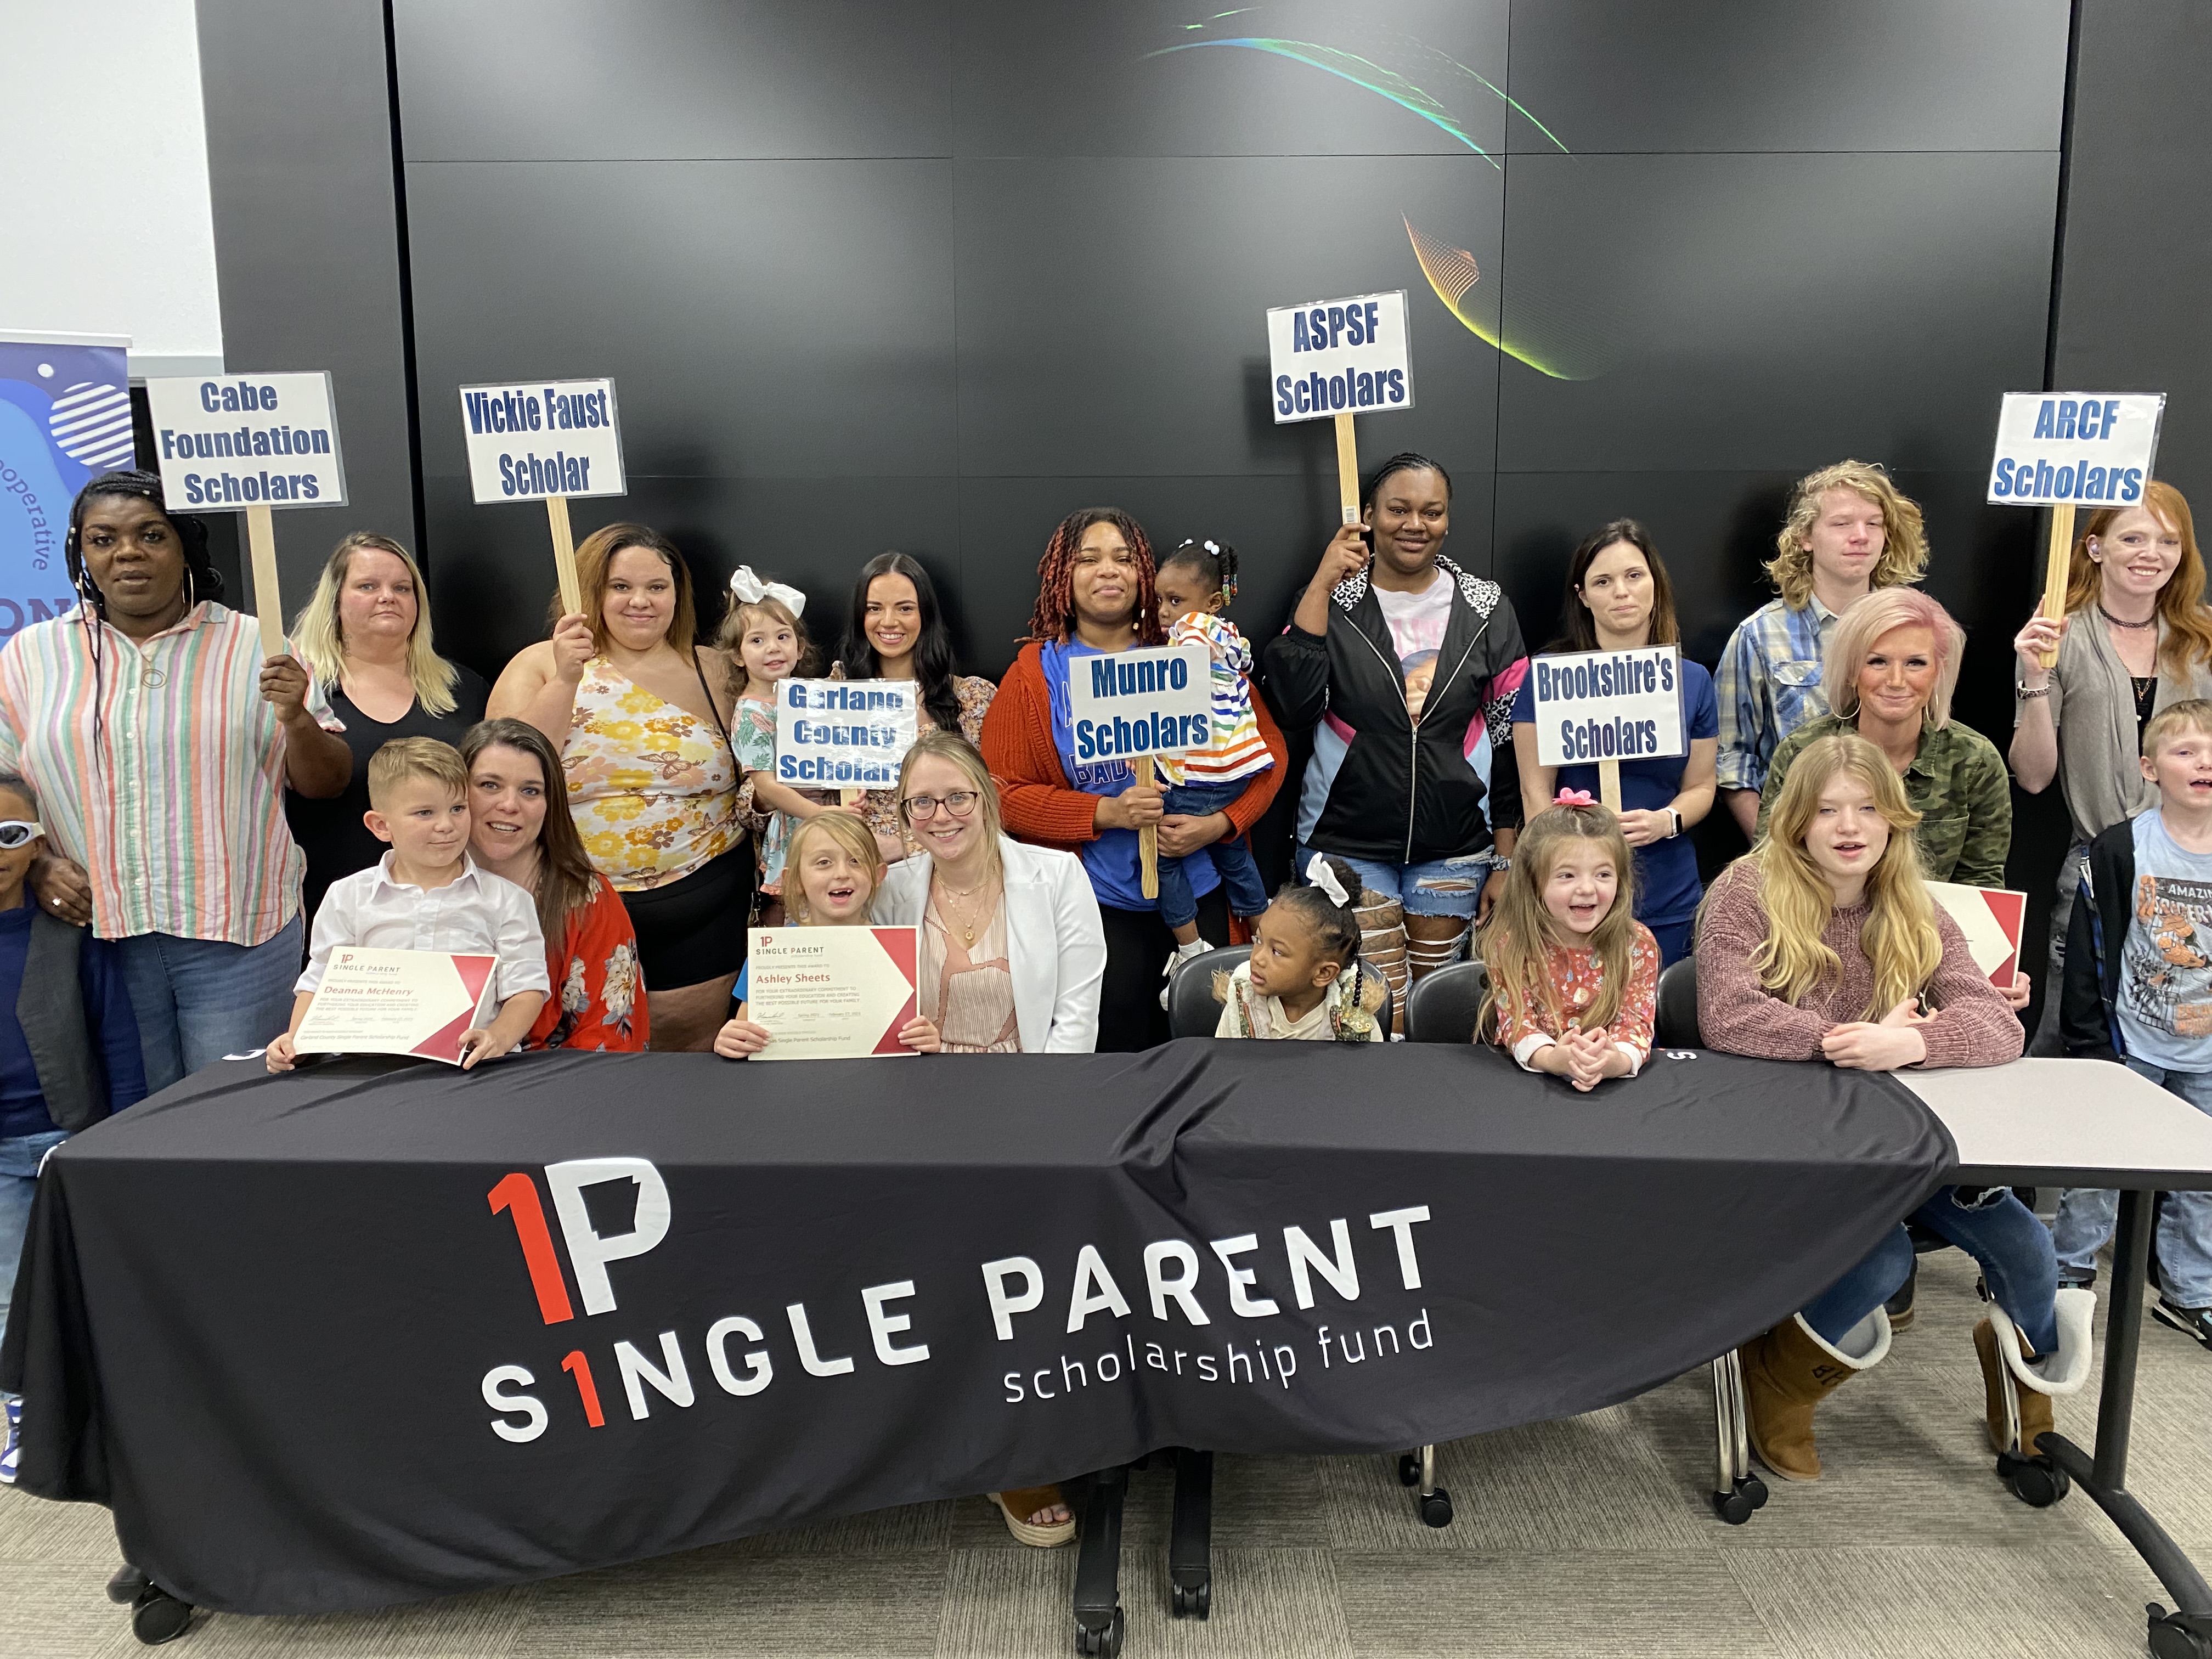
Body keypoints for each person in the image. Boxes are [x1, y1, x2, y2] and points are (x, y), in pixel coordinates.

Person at [1698, 733, 2087, 1481]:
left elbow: (1997, 1024)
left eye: (1868, 809)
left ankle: (2026, 1408)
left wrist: (1910, 1044)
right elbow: (1727, 1016)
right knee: (1883, 1261)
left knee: (2029, 1252)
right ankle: (1778, 1382)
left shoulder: (1914, 903)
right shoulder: (1746, 892)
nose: (1850, 827)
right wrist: (1851, 1041)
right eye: (1829, 810)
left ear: (1894, 820)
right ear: (1797, 820)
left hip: (1902, 1140)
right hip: (1796, 1141)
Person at [0, 471, 351, 1093]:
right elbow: (6, 781)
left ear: (185, 546)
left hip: (237, 934)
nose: (127, 553)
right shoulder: (31, 656)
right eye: (103, 539)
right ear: (81, 556)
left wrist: (297, 716)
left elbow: (327, 782)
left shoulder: (258, 644)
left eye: (151, 535)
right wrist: (40, 860)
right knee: (134, 1121)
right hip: (97, 935)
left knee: (233, 1117)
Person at [872, 729, 1103, 1545]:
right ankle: (948, 1435)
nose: (940, 816)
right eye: (921, 803)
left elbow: (1077, 1016)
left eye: (956, 797)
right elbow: (850, 994)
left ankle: (1017, 1452)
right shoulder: (893, 888)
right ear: (904, 814)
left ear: (988, 798)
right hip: (922, 1110)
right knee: (926, 1280)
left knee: (1019, 1282)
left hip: (1030, 1102)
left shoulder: (1056, 875)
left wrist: (1038, 1125)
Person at [982, 510, 1284, 1051]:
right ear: (1064, 576)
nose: (1108, 570)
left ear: (1145, 574)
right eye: (1089, 559)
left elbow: (1267, 757)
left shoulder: (1192, 651)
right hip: (1095, 902)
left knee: (1214, 1048)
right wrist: (1105, 813)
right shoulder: (1034, 674)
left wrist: (1221, 823)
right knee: (1112, 1052)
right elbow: (1000, 795)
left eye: (1123, 559)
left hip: (1200, 890)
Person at [1263, 453, 1527, 1014]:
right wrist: (1323, 581)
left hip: (1456, 847)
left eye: (1432, 512)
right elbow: (1293, 707)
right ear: (1368, 516)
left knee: (1435, 1006)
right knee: (1374, 1009)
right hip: (1344, 841)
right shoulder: (1333, 600)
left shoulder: (1486, 608)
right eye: (1398, 509)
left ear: (1447, 519)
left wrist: (1506, 859)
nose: (1415, 524)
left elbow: (1509, 741)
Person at [488, 523, 749, 1051]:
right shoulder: (539, 663)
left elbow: (764, 761)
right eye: (621, 587)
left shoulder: (717, 670)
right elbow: (507, 776)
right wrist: (566, 679)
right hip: (570, 906)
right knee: (581, 1067)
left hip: (703, 902)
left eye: (657, 587)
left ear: (678, 594)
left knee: (690, 1064)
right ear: (592, 591)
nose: (641, 601)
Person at [2013, 483, 2212, 1053]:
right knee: (2076, 1036)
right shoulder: (2058, 635)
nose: (2152, 553)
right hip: (2097, 871)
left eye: (2168, 541)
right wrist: (2034, 677)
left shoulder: (2203, 639)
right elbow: (2032, 775)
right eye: (2133, 538)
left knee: (2189, 1038)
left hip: (2195, 876)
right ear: (2096, 547)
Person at [0, 775, 145, 1487]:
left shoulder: (70, 935)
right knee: (10, 1290)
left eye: (10, 835)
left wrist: (121, 1135)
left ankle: (108, 1415)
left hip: (73, 1140)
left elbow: (115, 1035)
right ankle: (26, 1416)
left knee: (93, 1281)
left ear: (39, 845)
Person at [2056, 699, 2212, 1350]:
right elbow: (2090, 948)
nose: (2204, 763)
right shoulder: (2121, 848)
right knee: (2100, 1169)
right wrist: (2091, 1040)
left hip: (2206, 1054)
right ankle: (2067, 1270)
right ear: (2150, 768)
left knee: (2203, 1177)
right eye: (2186, 751)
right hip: (2131, 1044)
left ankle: (2190, 1293)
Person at [267, 738, 548, 1073]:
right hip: (366, 1067)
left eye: (458, 809)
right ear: (381, 826)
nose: (446, 825)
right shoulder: (348, 896)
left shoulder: (508, 900)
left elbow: (527, 988)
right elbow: (320, 981)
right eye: (425, 813)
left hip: (472, 1068)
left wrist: (498, 1039)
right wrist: (297, 1041)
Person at [1511, 520, 1717, 964]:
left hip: (1666, 892)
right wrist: (1565, 869)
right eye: (1603, 582)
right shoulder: (1547, 678)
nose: (1621, 592)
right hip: (1573, 898)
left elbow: (1703, 785)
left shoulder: (1694, 681)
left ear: (1655, 584)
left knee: (1662, 1006)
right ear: (1583, 596)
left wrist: (1667, 821)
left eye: (1634, 576)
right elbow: (1534, 791)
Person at [1716, 461, 1931, 837]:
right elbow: (1733, 759)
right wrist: (1773, 848)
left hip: (1899, 839)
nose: (1860, 536)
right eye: (1842, 523)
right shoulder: (1760, 636)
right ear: (1806, 536)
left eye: (1874, 523)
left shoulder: (1916, 628)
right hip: (1797, 844)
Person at [285, 532, 490, 922]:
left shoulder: (464, 690)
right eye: (368, 586)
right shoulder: (301, 690)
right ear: (335, 600)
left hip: (451, 911)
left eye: (402, 588)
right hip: (329, 912)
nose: (388, 597)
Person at [1759, 588, 2010, 890]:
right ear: (1851, 671)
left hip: (1934, 919)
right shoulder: (1800, 751)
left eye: (1915, 663)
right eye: (1878, 662)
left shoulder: (1976, 761)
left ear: (1939, 671)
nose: (1896, 681)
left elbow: (1982, 884)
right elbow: (1772, 864)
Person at [460, 719, 647, 1052]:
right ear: (457, 791)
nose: (509, 805)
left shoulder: (586, 898)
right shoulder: (409, 885)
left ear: (550, 804)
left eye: (530, 791)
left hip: (552, 1077)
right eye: (490, 785)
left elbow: (609, 1042)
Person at [712, 811, 941, 1059]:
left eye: (856, 861)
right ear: (795, 880)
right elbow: (744, 1033)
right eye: (824, 862)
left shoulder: (898, 952)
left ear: (878, 876)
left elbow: (909, 1033)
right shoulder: (772, 954)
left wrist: (924, 1038)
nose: (842, 873)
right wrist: (732, 1041)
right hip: (790, 1079)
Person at [1153, 538, 1273, 992]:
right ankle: (1267, 936)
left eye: (1175, 600)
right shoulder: (1228, 635)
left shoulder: (1193, 630)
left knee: (1163, 857)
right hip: (1233, 775)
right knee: (1233, 854)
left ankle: (1190, 949)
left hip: (1198, 775)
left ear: (1212, 602)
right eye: (1160, 600)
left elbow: (1188, 658)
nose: (1165, 611)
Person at [1481, 795, 1660, 1090]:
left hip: (1611, 1089)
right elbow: (1517, 1024)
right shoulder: (1511, 945)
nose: (1587, 889)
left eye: (1603, 874)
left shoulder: (1637, 944)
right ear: (1534, 882)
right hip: (1531, 1087)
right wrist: (1553, 1059)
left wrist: (1612, 1062)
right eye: (1567, 875)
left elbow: (1635, 1025)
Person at [836, 552, 997, 865]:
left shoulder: (973, 699)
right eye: (874, 608)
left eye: (905, 608)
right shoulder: (834, 693)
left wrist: (904, 846)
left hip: (948, 866)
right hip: (854, 869)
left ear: (926, 615)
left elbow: (997, 801)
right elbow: (758, 801)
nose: (888, 621)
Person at [719, 567, 838, 926]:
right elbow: (767, 786)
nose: (773, 648)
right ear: (738, 656)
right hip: (798, 824)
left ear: (799, 648)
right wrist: (820, 815)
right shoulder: (751, 712)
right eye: (757, 641)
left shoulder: (808, 697)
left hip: (828, 814)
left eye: (783, 637)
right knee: (802, 912)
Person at [1212, 853, 1388, 1041]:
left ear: (1323, 973)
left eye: (1277, 952)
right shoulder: (1242, 1002)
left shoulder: (1354, 1019)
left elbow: (1368, 1061)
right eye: (1259, 940)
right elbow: (1225, 1058)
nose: (1256, 958)